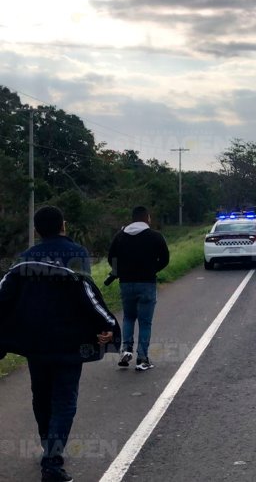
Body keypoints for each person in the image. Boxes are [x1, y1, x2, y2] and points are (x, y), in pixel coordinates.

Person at [0, 206, 120, 482]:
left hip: (35, 344)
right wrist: (108, 327)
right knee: (64, 401)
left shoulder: (23, 261)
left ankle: (48, 446)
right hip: (70, 343)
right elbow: (88, 296)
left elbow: (3, 300)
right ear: (63, 226)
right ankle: (52, 464)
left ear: (37, 230)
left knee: (41, 397)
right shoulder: (76, 255)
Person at [107, 206, 169, 371]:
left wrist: (119, 271)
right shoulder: (155, 236)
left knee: (128, 317)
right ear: (147, 218)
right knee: (145, 322)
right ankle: (142, 358)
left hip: (126, 283)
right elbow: (165, 258)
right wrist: (152, 269)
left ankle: (126, 350)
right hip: (147, 283)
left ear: (133, 218)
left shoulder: (120, 236)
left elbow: (111, 257)